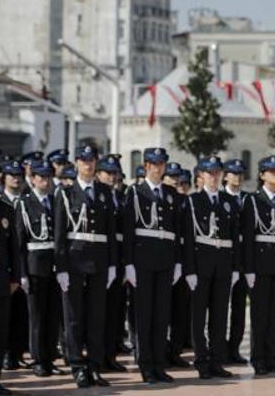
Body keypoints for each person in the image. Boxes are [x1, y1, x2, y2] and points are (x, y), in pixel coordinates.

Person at [53, 145, 118, 388]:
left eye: (92, 160)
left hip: (100, 262)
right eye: (84, 160)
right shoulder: (65, 193)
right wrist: (60, 267)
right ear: (77, 163)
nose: (88, 165)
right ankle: (77, 367)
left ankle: (94, 366)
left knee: (96, 317)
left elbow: (111, 231)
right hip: (74, 262)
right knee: (74, 319)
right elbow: (60, 234)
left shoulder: (104, 191)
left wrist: (112, 264)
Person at [122, 148, 183, 384]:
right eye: (154, 164)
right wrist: (128, 264)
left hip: (166, 262)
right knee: (144, 316)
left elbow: (176, 231)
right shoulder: (135, 193)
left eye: (162, 164)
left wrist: (178, 262)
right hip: (142, 263)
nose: (159, 168)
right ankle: (146, 365)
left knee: (161, 316)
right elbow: (128, 231)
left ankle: (159, 364)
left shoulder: (170, 193)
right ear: (146, 166)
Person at [183, 156, 241, 379]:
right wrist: (189, 270)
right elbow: (188, 238)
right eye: (210, 172)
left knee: (219, 317)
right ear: (201, 176)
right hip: (200, 267)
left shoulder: (229, 201)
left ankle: (217, 361)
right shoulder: (193, 201)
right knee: (199, 318)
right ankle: (201, 361)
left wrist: (236, 267)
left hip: (223, 267)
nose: (214, 176)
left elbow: (235, 237)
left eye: (217, 172)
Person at [243, 155, 275, 376]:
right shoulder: (253, 201)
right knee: (260, 316)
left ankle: (273, 358)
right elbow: (247, 238)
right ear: (262, 175)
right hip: (261, 266)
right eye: (272, 171)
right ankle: (258, 359)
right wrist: (249, 269)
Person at [13, 161, 66, 378]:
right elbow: (19, 242)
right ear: (33, 178)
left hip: (54, 266)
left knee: (53, 316)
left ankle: (49, 358)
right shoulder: (24, 203)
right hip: (34, 267)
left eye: (48, 177)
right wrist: (22, 273)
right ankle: (37, 359)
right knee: (36, 317)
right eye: (41, 177)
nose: (46, 181)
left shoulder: (55, 201)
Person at [95, 155, 128, 373]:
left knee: (115, 313)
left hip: (118, 262)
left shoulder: (120, 197)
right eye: (108, 172)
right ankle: (97, 357)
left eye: (115, 173)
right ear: (98, 174)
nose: (112, 176)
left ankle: (110, 355)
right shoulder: (95, 196)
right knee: (99, 313)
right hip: (100, 260)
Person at [0, 161, 27, 372]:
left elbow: (16, 245)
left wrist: (17, 275)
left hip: (9, 274)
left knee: (9, 324)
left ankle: (13, 357)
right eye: (11, 175)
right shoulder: (4, 206)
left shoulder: (13, 206)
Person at [223, 159, 250, 365]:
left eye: (240, 173)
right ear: (226, 175)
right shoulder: (219, 198)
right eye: (234, 173)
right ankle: (218, 347)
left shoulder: (248, 200)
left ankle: (234, 348)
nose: (238, 177)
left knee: (239, 308)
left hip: (242, 261)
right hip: (223, 260)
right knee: (219, 308)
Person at [167, 165, 193, 369]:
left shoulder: (186, 202)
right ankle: (157, 351)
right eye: (173, 178)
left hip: (182, 259)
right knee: (161, 311)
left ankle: (175, 351)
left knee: (180, 310)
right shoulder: (161, 199)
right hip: (163, 259)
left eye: (181, 180)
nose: (177, 182)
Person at [0, 182, 18, 395]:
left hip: (1, 281)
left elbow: (14, 248)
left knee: (0, 334)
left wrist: (15, 277)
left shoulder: (6, 210)